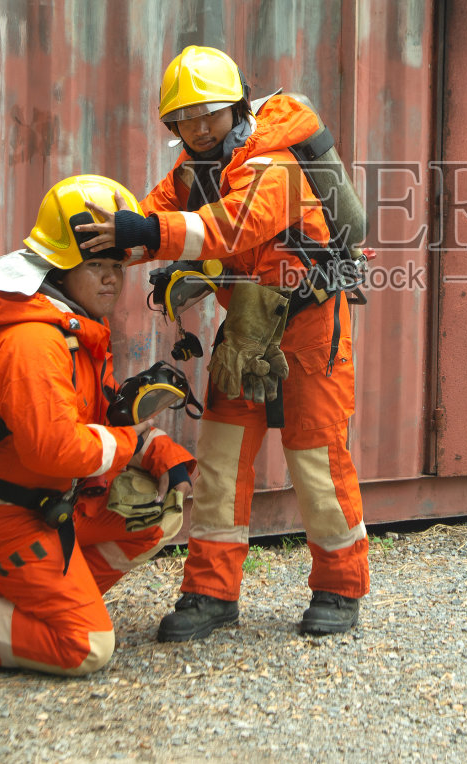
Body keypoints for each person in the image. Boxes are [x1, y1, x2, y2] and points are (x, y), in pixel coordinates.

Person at [81, 45, 369, 640]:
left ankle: (340, 587)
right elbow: (147, 220)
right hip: (245, 328)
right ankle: (210, 593)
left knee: (316, 461)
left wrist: (149, 232)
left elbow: (227, 227)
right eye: (184, 119)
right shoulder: (194, 171)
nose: (198, 127)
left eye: (207, 113)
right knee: (218, 462)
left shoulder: (277, 164)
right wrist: (99, 239)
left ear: (235, 107)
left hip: (313, 326)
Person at [0, 175, 196, 677]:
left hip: (46, 505)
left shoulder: (78, 332)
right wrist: (125, 445)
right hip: (2, 519)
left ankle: (52, 602)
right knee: (88, 647)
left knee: (155, 519)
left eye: (117, 264)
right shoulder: (34, 342)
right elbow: (55, 450)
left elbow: (100, 420)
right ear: (57, 266)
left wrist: (168, 462)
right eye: (95, 264)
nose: (112, 277)